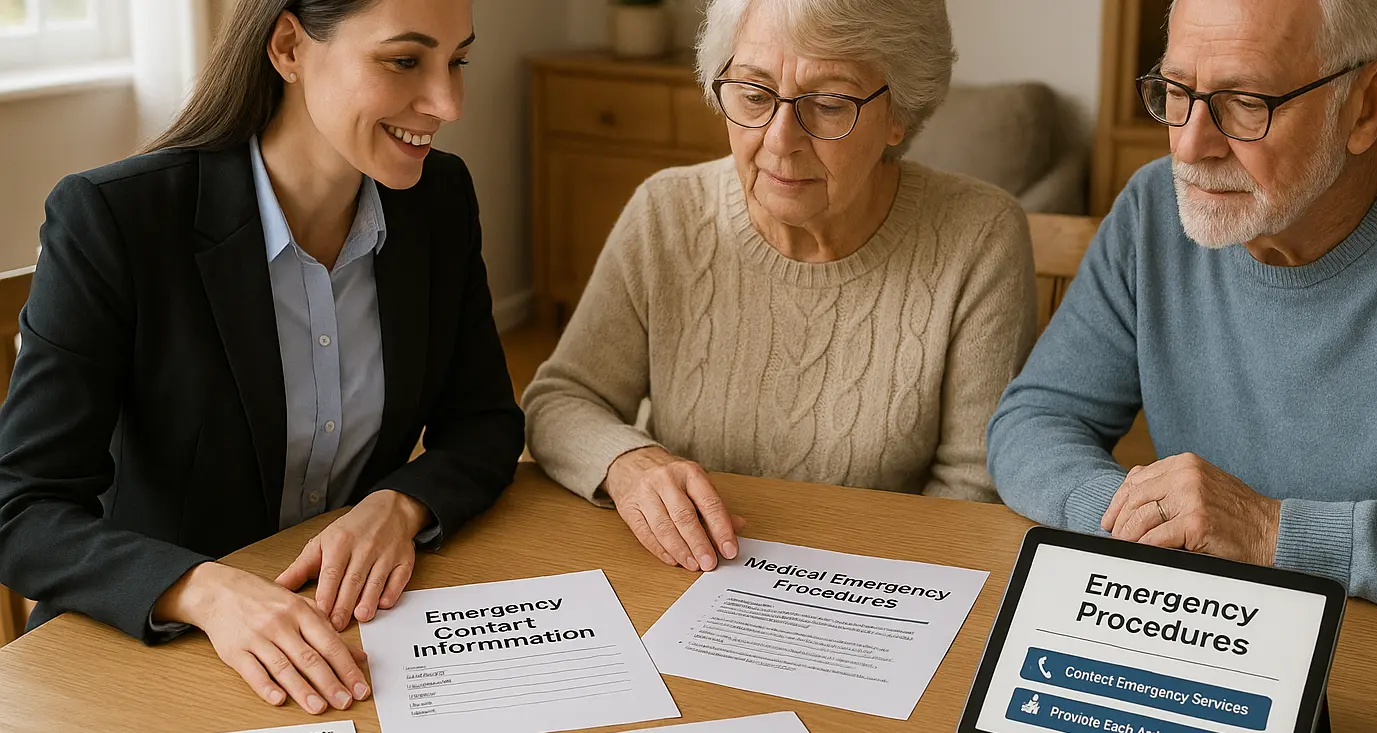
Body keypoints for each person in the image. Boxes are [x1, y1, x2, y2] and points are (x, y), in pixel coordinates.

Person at [0, 0, 524, 713]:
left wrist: (398, 504)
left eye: (457, 60)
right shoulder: (114, 220)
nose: (448, 102)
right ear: (288, 48)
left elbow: (485, 422)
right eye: (405, 60)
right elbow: (21, 508)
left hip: (350, 636)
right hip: (142, 651)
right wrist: (206, 589)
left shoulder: (438, 200)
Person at [989, 0, 1377, 626]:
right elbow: (1033, 421)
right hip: (1200, 635)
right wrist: (1144, 518)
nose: (1190, 146)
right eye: (1175, 91)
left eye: (1246, 102)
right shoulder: (1152, 210)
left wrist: (1274, 535)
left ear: (1365, 106)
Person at [524, 0, 1034, 574]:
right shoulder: (667, 212)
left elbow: (971, 486)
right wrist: (629, 462)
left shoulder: (980, 235)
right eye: (753, 94)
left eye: (830, 103)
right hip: (688, 576)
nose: (779, 140)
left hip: (875, 594)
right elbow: (561, 398)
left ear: (901, 113)